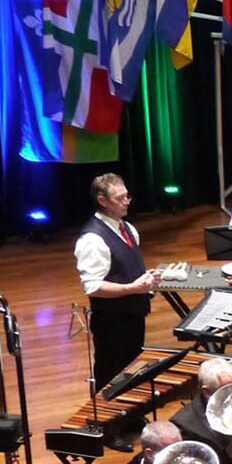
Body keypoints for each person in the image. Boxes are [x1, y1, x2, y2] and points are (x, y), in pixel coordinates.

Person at [75, 173, 160, 447]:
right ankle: (109, 429)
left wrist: (148, 282)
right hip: (111, 320)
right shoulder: (92, 240)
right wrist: (131, 289)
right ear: (102, 201)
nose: (127, 202)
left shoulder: (127, 228)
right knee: (110, 373)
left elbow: (129, 270)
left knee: (132, 368)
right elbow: (93, 286)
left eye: (127, 195)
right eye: (120, 198)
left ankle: (131, 416)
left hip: (134, 313)